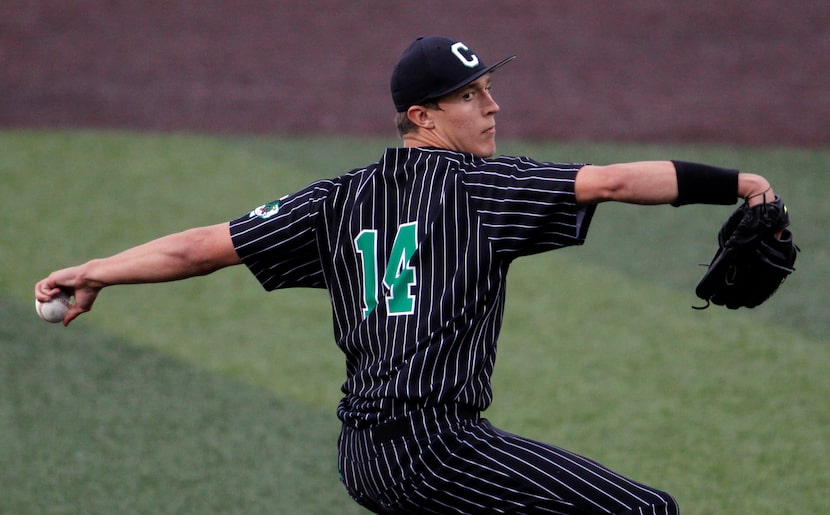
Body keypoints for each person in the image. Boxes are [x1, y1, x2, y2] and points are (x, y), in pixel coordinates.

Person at [35, 36, 780, 514]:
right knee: (644, 512)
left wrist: (98, 270)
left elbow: (202, 244)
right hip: (434, 447)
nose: (492, 106)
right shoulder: (484, 189)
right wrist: (741, 181)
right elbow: (614, 180)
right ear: (422, 116)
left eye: (488, 88)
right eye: (470, 96)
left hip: (364, 452)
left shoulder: (335, 198)